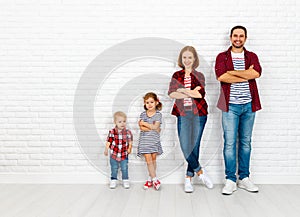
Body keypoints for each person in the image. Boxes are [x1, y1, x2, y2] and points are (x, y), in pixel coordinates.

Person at [215, 25, 262, 195]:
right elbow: (222, 77)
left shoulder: (252, 56)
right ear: (230, 37)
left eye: (241, 36)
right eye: (235, 35)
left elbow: (256, 74)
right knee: (229, 143)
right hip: (230, 107)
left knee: (245, 143)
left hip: (249, 105)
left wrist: (232, 73)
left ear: (245, 38)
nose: (238, 38)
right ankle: (230, 180)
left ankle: (244, 178)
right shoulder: (222, 56)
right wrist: (245, 73)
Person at [168, 46, 213, 193]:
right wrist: (189, 92)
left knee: (195, 146)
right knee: (185, 145)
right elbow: (171, 94)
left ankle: (188, 178)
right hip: (183, 114)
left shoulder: (199, 75)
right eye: (184, 57)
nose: (187, 60)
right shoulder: (176, 75)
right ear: (181, 59)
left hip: (199, 114)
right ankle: (200, 172)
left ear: (194, 59)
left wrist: (181, 90)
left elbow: (200, 95)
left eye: (190, 57)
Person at [137, 92, 163, 190]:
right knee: (148, 161)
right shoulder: (143, 114)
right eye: (147, 102)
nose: (149, 104)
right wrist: (151, 127)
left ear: (156, 102)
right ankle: (155, 179)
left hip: (154, 140)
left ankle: (150, 179)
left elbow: (156, 126)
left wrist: (145, 124)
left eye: (152, 102)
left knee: (153, 160)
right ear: (144, 104)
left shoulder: (158, 115)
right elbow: (141, 128)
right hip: (145, 141)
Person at [104, 111, 133, 189]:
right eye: (120, 122)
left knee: (124, 168)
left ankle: (125, 180)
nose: (122, 123)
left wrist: (130, 148)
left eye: (124, 121)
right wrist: (106, 149)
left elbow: (130, 141)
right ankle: (113, 180)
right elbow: (109, 141)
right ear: (115, 122)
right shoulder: (112, 132)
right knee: (114, 167)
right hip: (114, 154)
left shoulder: (127, 132)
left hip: (124, 154)